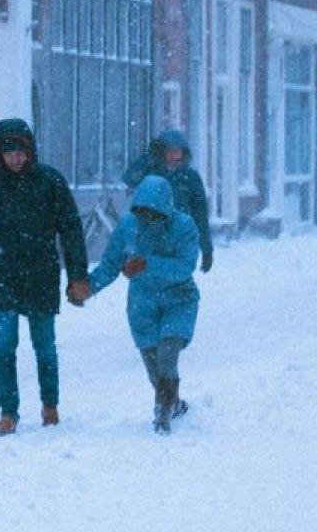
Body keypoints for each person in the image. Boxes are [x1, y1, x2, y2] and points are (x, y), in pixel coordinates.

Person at [0, 118, 89, 436]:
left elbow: (71, 231)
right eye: (9, 152)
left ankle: (50, 407)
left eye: (21, 152)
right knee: (5, 346)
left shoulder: (50, 183)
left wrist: (77, 276)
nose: (16, 158)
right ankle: (8, 413)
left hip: (41, 276)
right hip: (2, 279)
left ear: (31, 151)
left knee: (44, 345)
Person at [69, 175, 199, 435]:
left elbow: (184, 267)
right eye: (142, 212)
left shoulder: (184, 227)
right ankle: (172, 402)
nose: (147, 218)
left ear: (164, 208)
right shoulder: (129, 226)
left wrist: (148, 264)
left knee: (167, 354)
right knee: (153, 366)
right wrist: (89, 287)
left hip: (178, 300)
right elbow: (110, 265)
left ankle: (162, 413)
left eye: (153, 213)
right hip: (143, 305)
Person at [122, 130, 213, 273]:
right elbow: (129, 177)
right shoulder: (150, 172)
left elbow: (200, 215)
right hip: (149, 243)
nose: (173, 157)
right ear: (161, 153)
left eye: (177, 152)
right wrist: (148, 157)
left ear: (184, 153)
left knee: (177, 284)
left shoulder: (191, 178)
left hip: (179, 242)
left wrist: (206, 248)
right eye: (168, 152)